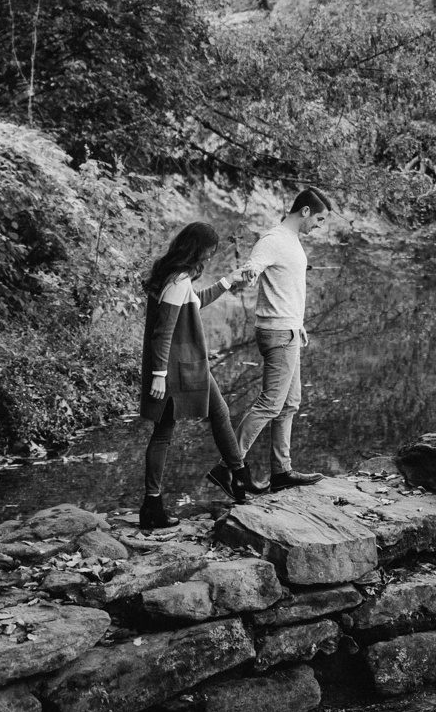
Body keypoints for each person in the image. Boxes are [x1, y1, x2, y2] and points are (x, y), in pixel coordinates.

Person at [138, 221, 249, 529]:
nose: (210, 257)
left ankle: (238, 475)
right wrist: (159, 375)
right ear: (197, 249)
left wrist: (228, 282)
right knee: (163, 433)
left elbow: (195, 303)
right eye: (209, 251)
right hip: (175, 369)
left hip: (189, 364)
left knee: (220, 412)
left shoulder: (177, 279)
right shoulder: (177, 280)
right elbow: (163, 332)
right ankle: (152, 506)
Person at [227, 187, 332, 493]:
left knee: (289, 403)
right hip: (277, 333)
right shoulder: (273, 239)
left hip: (289, 331)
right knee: (271, 404)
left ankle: (281, 472)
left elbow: (282, 276)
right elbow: (254, 266)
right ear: (306, 212)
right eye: (320, 219)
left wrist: (297, 323)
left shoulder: (291, 242)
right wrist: (249, 272)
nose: (319, 226)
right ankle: (228, 466)